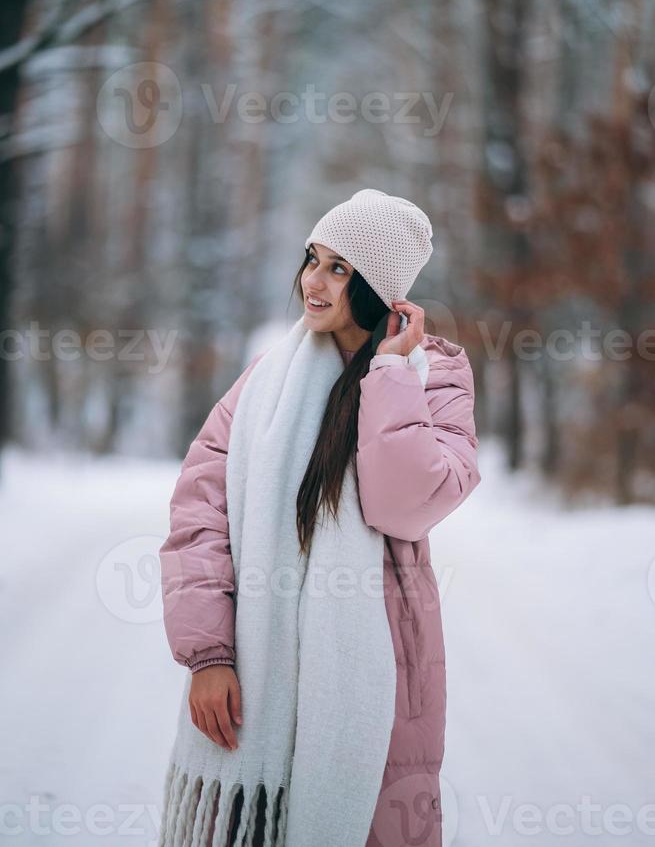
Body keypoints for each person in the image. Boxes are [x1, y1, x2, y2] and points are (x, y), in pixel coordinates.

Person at [157, 188, 481, 847]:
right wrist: (209, 656)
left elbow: (403, 506)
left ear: (376, 284)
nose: (313, 280)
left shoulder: (434, 375)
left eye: (338, 267)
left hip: (378, 664)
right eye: (312, 259)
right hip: (255, 667)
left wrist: (389, 373)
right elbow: (200, 511)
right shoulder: (265, 381)